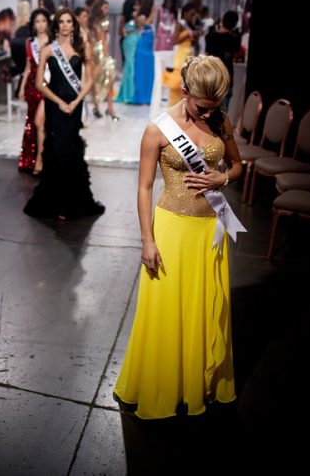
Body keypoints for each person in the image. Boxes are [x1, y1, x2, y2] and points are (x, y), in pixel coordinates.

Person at [113, 55, 244, 419]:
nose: (209, 114)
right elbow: (143, 188)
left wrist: (224, 178)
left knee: (204, 309)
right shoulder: (157, 129)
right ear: (184, 90)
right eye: (203, 107)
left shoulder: (220, 119)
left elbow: (237, 164)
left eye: (216, 106)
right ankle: (163, 387)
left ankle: (199, 385)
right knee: (167, 316)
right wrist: (146, 239)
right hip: (170, 230)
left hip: (209, 232)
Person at [24, 9, 105, 220]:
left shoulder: (82, 47)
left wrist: (76, 101)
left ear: (73, 25)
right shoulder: (47, 50)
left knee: (71, 149)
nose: (66, 25)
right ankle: (55, 202)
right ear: (57, 25)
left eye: (69, 21)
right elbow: (39, 83)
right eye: (62, 21)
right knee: (57, 149)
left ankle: (73, 201)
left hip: (75, 105)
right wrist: (60, 102)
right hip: (55, 105)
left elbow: (89, 81)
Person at [17, 8, 51, 175]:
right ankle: (29, 159)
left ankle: (41, 159)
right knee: (33, 123)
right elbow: (28, 66)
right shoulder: (30, 43)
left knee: (40, 123)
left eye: (43, 21)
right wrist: (22, 86)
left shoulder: (53, 42)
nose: (40, 25)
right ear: (33, 24)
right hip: (32, 85)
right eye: (37, 21)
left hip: (47, 85)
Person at [88, 0, 119, 119]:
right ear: (99, 8)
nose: (107, 10)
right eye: (105, 8)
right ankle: (109, 109)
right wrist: (105, 56)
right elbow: (104, 41)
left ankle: (97, 107)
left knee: (95, 80)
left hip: (92, 51)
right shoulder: (103, 22)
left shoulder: (91, 22)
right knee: (108, 79)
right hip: (100, 52)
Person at [205, 10, 240, 107]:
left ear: (223, 19)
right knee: (223, 112)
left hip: (211, 75)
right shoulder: (234, 38)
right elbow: (237, 51)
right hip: (227, 76)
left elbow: (207, 52)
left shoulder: (211, 36)